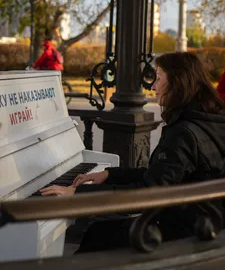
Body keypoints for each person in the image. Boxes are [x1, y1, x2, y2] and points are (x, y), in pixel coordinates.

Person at [40, 51, 225, 250]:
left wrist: (78, 194)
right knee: (99, 232)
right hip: (207, 224)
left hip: (187, 233)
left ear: (178, 84)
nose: (153, 86)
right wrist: (109, 174)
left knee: (97, 236)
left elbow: (149, 192)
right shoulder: (208, 120)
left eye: (159, 79)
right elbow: (161, 177)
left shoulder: (184, 133)